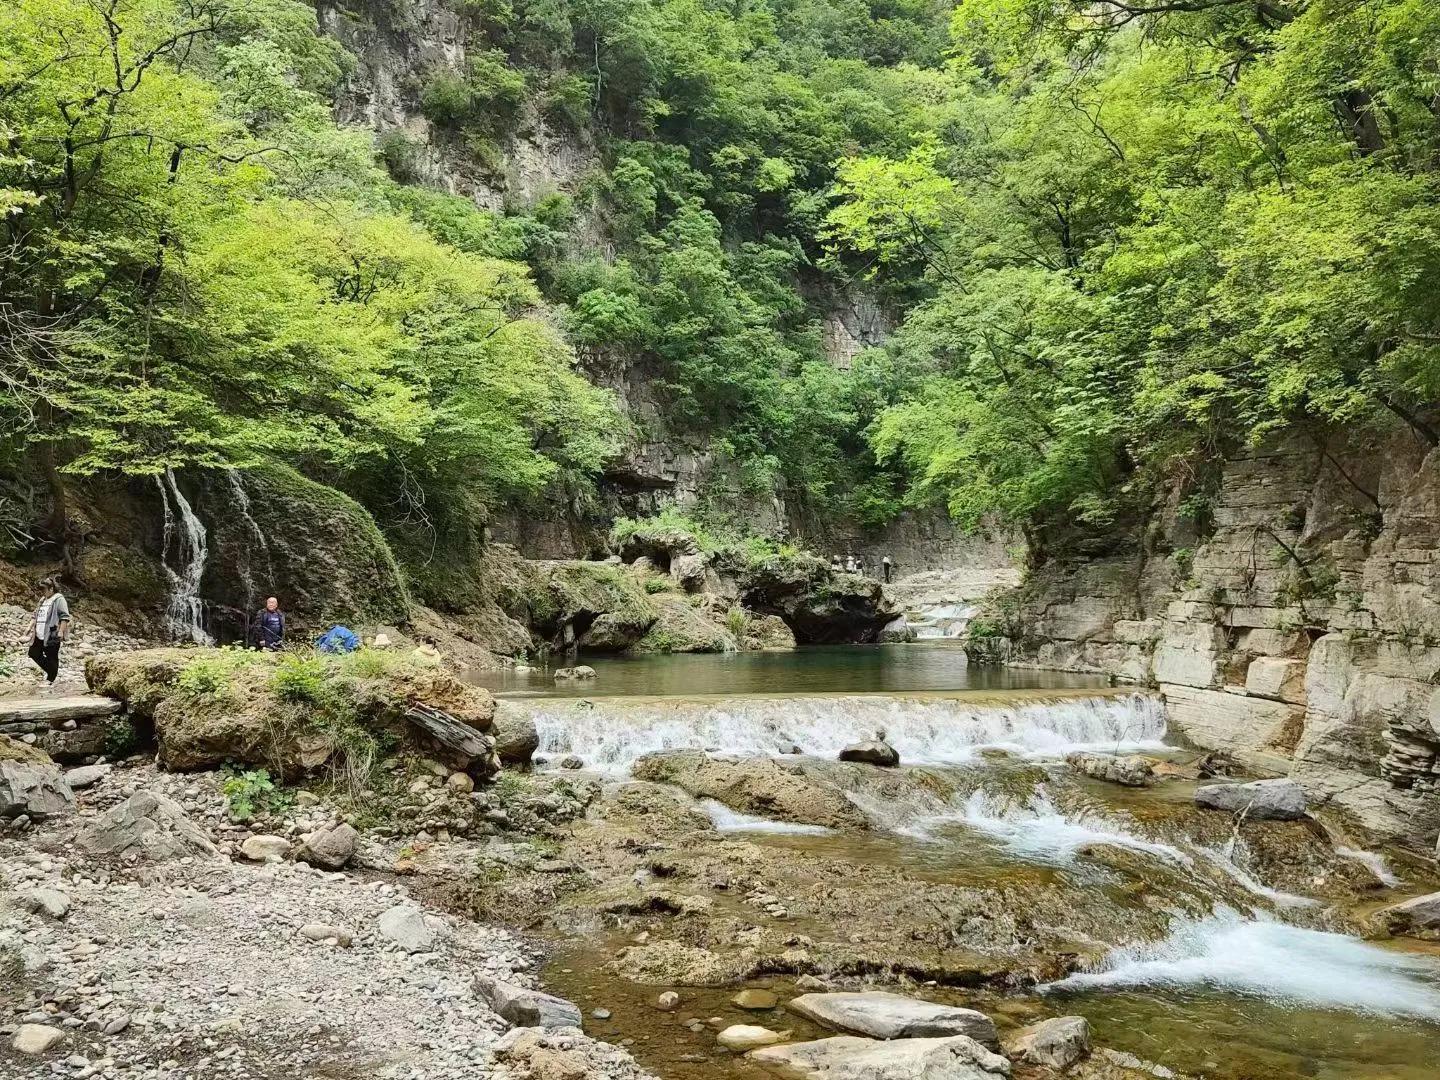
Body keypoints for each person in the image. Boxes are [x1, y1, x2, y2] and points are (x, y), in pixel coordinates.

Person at [28, 577, 70, 690]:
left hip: (52, 632)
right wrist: (28, 629)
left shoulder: (59, 599)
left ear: (51, 588)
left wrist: (60, 631)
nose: (42, 592)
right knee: (33, 652)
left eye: (44, 589)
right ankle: (52, 672)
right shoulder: (42, 600)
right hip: (39, 632)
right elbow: (35, 614)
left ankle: (50, 679)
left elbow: (65, 616)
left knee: (52, 656)